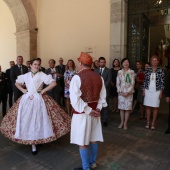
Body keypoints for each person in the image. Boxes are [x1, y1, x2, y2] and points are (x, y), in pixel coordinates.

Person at [0, 58, 71, 155]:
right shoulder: (26, 75)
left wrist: (43, 91)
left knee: (39, 120)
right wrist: (23, 90)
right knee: (27, 120)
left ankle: (38, 138)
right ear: (31, 65)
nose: (37, 66)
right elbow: (17, 82)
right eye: (35, 64)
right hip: (27, 99)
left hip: (39, 99)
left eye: (38, 64)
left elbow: (53, 83)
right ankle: (32, 144)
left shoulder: (42, 74)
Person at [70, 52, 107, 170]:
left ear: (80, 63)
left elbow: (75, 100)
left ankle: (86, 167)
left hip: (82, 114)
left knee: (83, 141)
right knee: (93, 138)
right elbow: (102, 97)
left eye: (78, 62)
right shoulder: (99, 77)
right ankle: (93, 162)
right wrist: (97, 109)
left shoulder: (77, 77)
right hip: (95, 113)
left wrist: (88, 110)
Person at [143, 55, 164, 130]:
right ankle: (148, 122)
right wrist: (143, 90)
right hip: (148, 90)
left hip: (157, 91)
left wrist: (161, 92)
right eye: (153, 60)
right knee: (148, 106)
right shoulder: (147, 70)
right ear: (151, 62)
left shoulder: (160, 70)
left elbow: (162, 82)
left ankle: (153, 123)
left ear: (158, 62)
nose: (154, 61)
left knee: (155, 107)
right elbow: (145, 81)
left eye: (156, 60)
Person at [116, 58, 135, 130]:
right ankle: (121, 122)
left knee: (127, 109)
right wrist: (120, 91)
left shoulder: (132, 72)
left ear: (129, 63)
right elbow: (117, 83)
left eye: (127, 62)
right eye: (124, 62)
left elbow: (132, 83)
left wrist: (128, 92)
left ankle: (125, 123)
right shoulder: (119, 72)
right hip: (121, 93)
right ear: (122, 63)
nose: (126, 63)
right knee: (121, 109)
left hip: (128, 93)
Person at [94, 57, 112, 127]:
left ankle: (105, 120)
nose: (102, 63)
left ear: (105, 62)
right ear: (99, 62)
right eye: (101, 62)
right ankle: (97, 119)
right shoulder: (95, 70)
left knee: (105, 105)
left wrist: (102, 88)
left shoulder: (108, 70)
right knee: (97, 105)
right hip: (96, 91)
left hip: (105, 90)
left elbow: (108, 80)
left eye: (104, 62)